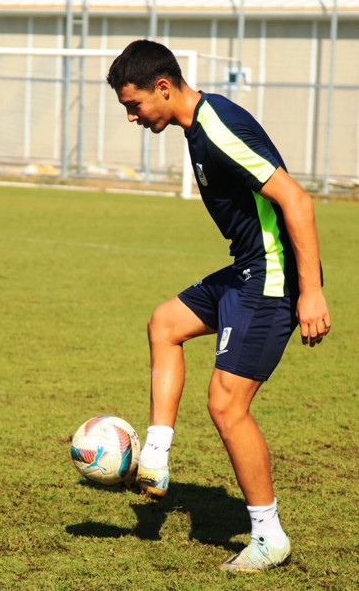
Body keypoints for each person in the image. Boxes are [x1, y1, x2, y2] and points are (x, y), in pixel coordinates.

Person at [106, 39, 330, 572]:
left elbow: (296, 200)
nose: (133, 117)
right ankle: (155, 459)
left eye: (135, 105)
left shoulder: (218, 127)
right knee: (165, 323)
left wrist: (312, 290)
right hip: (245, 270)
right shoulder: (197, 127)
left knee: (227, 405)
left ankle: (267, 534)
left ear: (164, 87)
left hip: (269, 278)